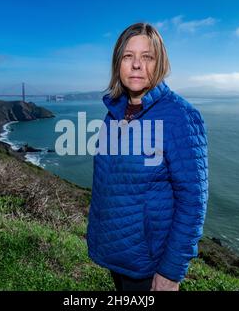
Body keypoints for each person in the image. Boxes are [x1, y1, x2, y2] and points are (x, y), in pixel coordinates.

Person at [86, 22, 209, 291]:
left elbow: (193, 201)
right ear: (118, 63)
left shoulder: (181, 117)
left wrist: (170, 272)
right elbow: (109, 183)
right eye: (128, 56)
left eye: (147, 57)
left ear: (159, 63)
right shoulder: (115, 113)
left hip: (149, 266)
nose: (137, 65)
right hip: (116, 255)